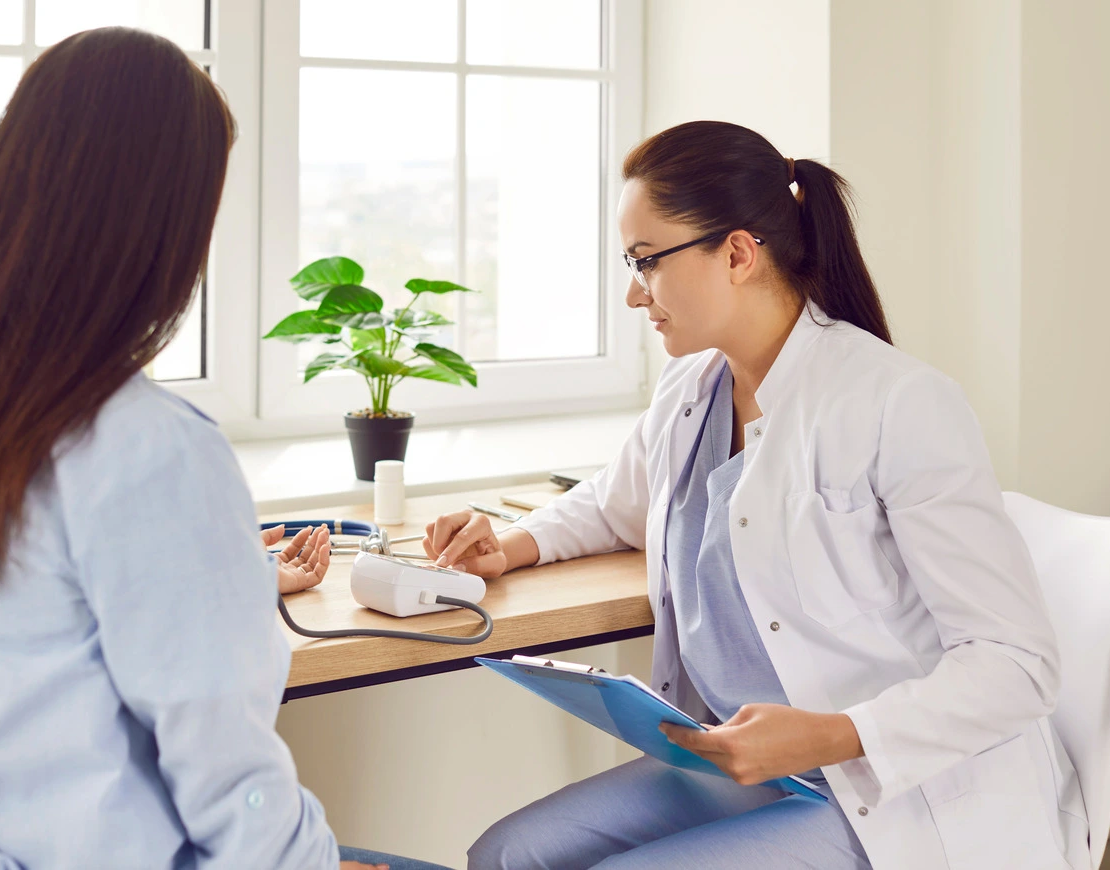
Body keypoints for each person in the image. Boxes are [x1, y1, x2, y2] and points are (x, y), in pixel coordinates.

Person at [0, 27, 447, 870]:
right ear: (155, 228)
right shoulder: (145, 446)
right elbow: (226, 767)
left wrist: (225, 578)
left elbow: (51, 625)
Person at [424, 121, 1091, 869]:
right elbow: (619, 503)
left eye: (645, 261)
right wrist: (509, 545)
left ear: (738, 253)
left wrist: (829, 735)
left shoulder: (897, 403)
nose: (632, 293)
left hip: (897, 788)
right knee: (507, 853)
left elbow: (1015, 665)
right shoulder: (692, 386)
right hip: (751, 764)